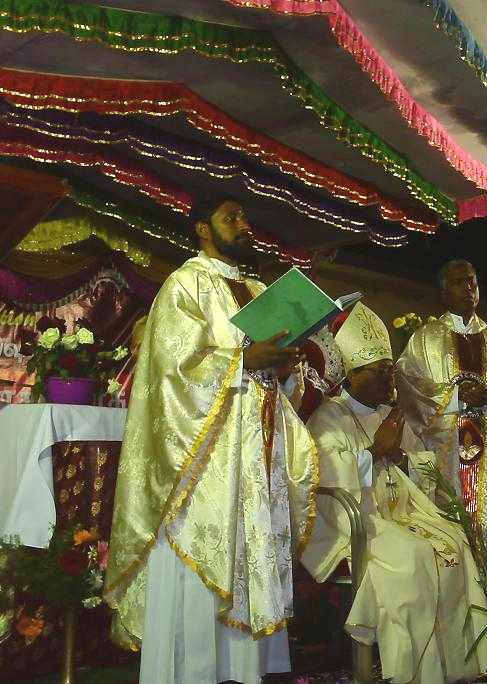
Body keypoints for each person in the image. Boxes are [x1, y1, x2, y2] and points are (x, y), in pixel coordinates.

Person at [103, 198, 320, 684]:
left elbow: (278, 380)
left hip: (256, 450)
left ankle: (244, 671)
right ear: (202, 229)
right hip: (204, 462)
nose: (244, 224)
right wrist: (243, 361)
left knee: (250, 551)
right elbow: (172, 370)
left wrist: (285, 367)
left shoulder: (260, 291)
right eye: (230, 217)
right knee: (206, 552)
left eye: (244, 216)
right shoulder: (185, 284)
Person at [301, 302, 487, 683]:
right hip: (360, 523)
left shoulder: (389, 414)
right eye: (380, 372)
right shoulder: (329, 417)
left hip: (405, 514)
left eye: (390, 370)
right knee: (414, 556)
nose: (389, 379)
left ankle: (460, 667)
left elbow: (425, 464)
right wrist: (374, 452)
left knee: (456, 542)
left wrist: (400, 457)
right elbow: (324, 478)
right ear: (353, 374)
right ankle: (412, 672)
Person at [397, 259, 487, 533]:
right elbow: (408, 382)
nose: (467, 288)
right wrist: (455, 396)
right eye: (458, 282)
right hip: (446, 452)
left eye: (471, 281)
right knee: (451, 527)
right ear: (443, 293)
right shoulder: (424, 339)